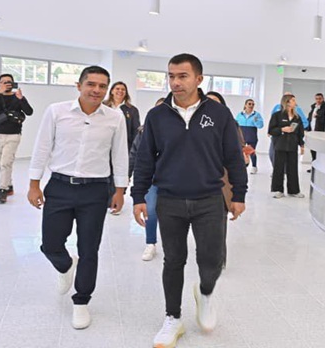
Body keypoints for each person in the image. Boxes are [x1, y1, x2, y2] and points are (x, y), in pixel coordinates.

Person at [132, 54, 247, 348]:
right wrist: (138, 196)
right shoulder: (157, 116)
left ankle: (205, 293)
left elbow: (233, 157)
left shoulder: (219, 114)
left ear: (199, 79)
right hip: (169, 199)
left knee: (212, 260)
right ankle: (173, 318)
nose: (175, 82)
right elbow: (145, 159)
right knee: (173, 260)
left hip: (209, 199)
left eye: (182, 76)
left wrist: (239, 195)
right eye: (171, 76)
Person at [26, 66, 129, 330]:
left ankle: (81, 301)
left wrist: (120, 190)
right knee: (50, 244)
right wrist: (34, 184)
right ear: (79, 85)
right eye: (91, 84)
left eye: (102, 86)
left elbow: (119, 155)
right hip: (59, 187)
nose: (96, 90)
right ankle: (64, 265)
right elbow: (42, 147)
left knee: (89, 249)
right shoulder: (56, 111)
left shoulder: (115, 117)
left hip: (96, 191)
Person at [0, 74, 34, 204]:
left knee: (6, 162)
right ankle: (9, 184)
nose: (7, 84)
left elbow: (29, 112)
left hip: (13, 135)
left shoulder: (18, 97)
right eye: (4, 82)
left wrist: (21, 99)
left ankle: (3, 189)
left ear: (13, 83)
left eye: (9, 82)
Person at [129, 97, 166, 261]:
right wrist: (127, 177)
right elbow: (134, 155)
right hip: (151, 178)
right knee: (150, 209)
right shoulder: (143, 132)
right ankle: (150, 243)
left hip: (172, 179)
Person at [104, 81, 141, 215]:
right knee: (106, 174)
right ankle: (105, 200)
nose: (120, 91)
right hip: (104, 148)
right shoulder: (103, 106)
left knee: (120, 174)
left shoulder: (131, 110)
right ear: (112, 91)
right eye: (117, 88)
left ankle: (115, 202)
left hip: (124, 147)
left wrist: (132, 150)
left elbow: (136, 131)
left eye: (123, 89)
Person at [269, 94, 305, 198]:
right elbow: (271, 130)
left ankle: (293, 191)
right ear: (287, 102)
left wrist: (302, 145)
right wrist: (282, 129)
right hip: (280, 145)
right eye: (293, 100)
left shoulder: (297, 117)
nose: (295, 102)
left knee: (293, 168)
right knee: (278, 168)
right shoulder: (277, 115)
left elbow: (300, 133)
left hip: (292, 146)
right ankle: (278, 190)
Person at [268, 92, 309, 168]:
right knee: (272, 154)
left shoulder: (297, 110)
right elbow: (272, 124)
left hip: (291, 140)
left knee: (290, 162)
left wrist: (295, 129)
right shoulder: (276, 108)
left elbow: (304, 123)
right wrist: (280, 129)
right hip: (278, 138)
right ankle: (277, 170)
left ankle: (285, 170)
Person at [235, 99, 264, 174]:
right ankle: (241, 167)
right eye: (249, 104)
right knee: (240, 152)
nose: (251, 105)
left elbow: (260, 125)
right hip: (241, 137)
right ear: (245, 105)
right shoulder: (240, 114)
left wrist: (255, 120)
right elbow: (235, 125)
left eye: (253, 104)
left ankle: (254, 167)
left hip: (251, 136)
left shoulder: (256, 115)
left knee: (251, 152)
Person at [306, 93, 325, 162]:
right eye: (316, 99)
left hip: (319, 133)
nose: (318, 100)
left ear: (323, 99)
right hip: (312, 132)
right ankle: (313, 165)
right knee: (312, 150)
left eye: (320, 99)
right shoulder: (313, 107)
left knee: (319, 151)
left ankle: (318, 165)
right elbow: (309, 119)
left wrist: (318, 116)